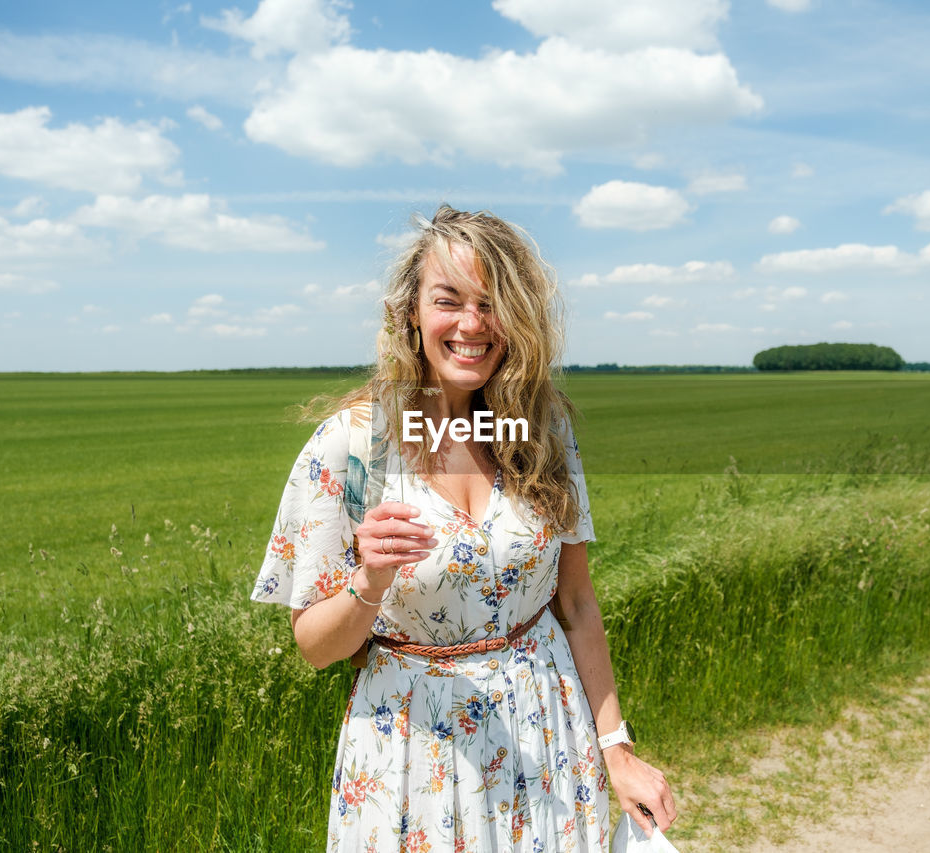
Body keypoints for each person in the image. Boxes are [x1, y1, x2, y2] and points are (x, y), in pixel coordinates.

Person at [252, 205, 676, 852]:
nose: (471, 324)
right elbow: (314, 645)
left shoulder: (539, 433)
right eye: (449, 300)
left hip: (551, 740)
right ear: (410, 314)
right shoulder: (351, 447)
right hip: (414, 760)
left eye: (492, 302)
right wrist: (368, 581)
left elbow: (578, 603)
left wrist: (617, 748)